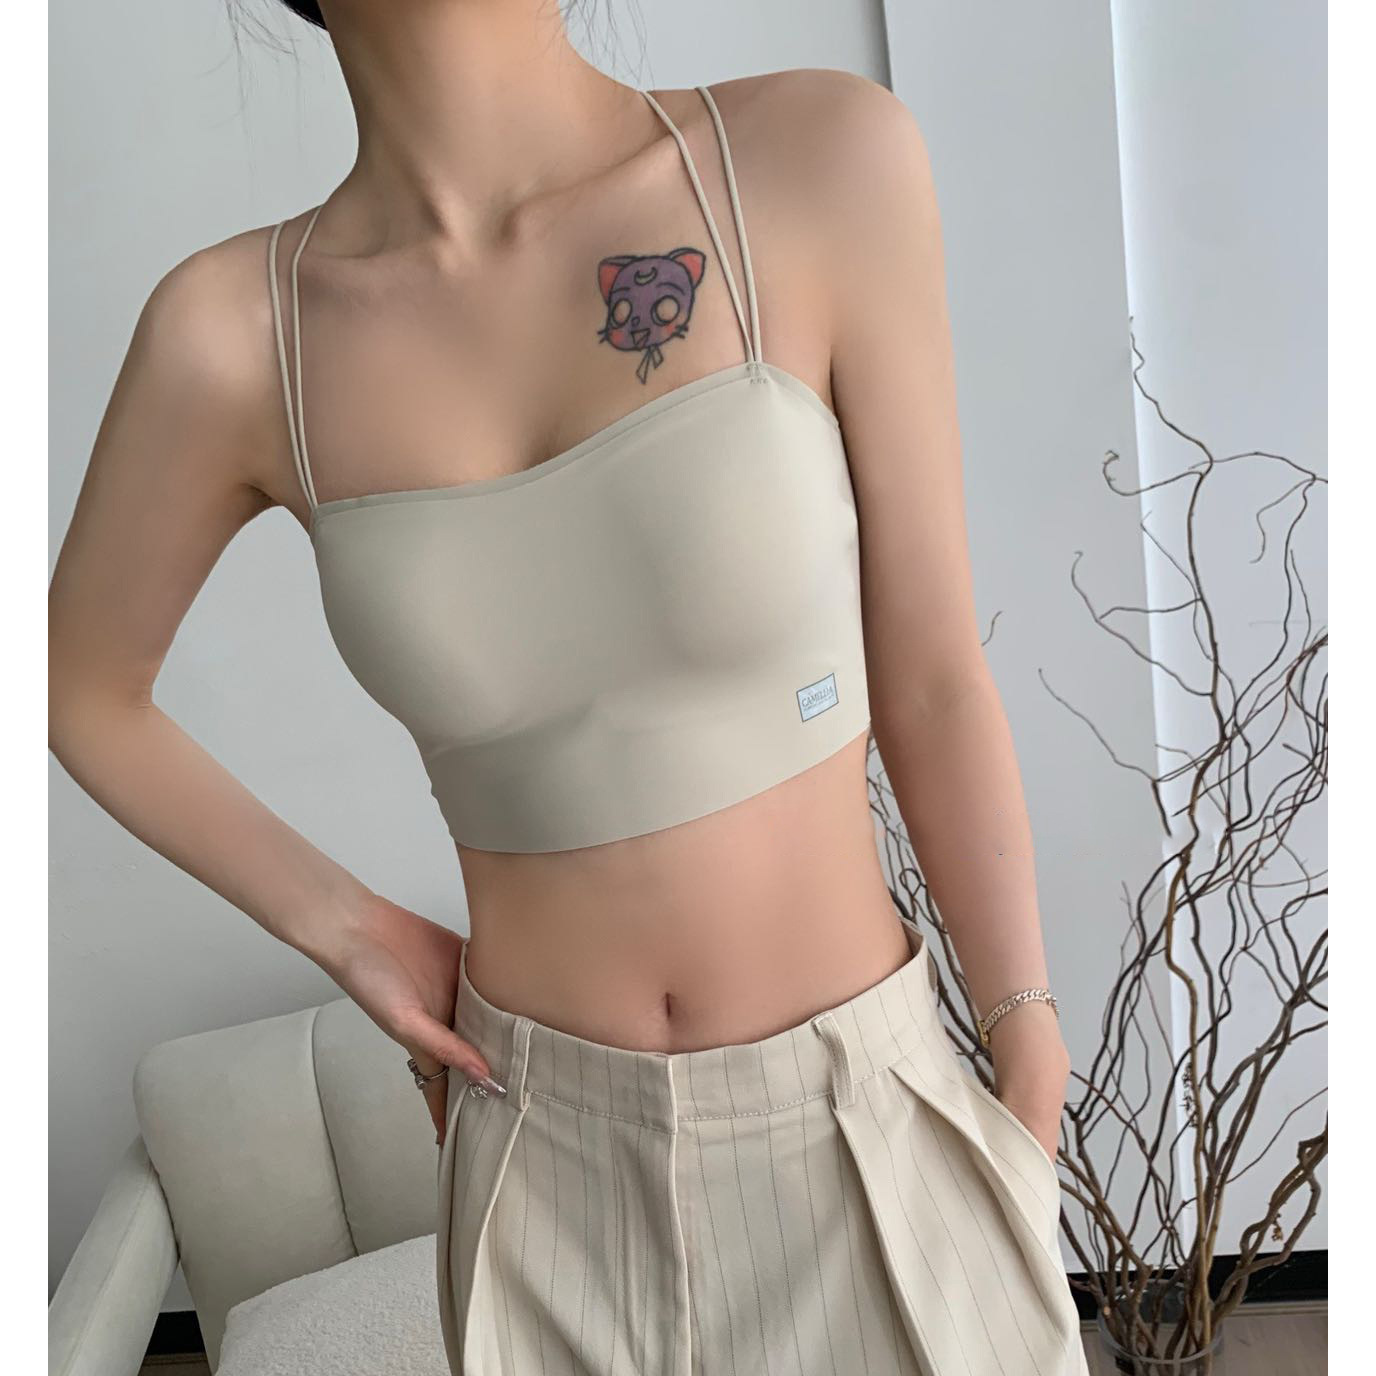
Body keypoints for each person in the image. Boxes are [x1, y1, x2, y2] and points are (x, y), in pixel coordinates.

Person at [48, 2, 1089, 1372]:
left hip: (867, 1127)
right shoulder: (237, 334)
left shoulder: (813, 159)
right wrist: (348, 928)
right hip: (542, 1176)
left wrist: (1025, 1043)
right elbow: (75, 685)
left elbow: (934, 672)